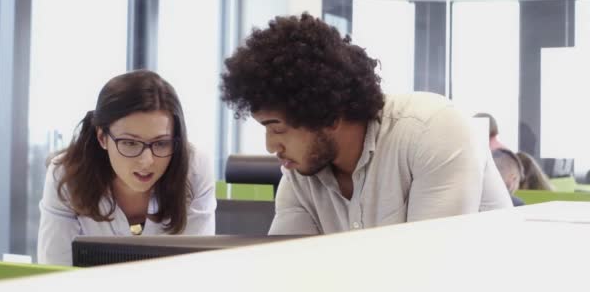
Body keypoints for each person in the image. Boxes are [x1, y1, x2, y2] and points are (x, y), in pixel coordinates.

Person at [220, 13, 512, 235]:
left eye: (277, 127)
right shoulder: (300, 177)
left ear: (328, 114)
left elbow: (429, 270)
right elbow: (284, 271)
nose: (271, 146)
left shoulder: (432, 129)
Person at [38, 70, 216, 265]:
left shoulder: (195, 169)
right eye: (130, 143)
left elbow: (195, 269)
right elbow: (56, 268)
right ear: (102, 138)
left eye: (161, 143)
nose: (147, 161)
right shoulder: (66, 174)